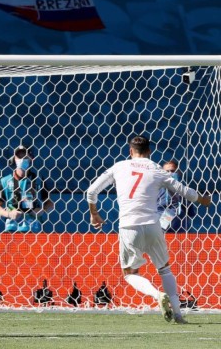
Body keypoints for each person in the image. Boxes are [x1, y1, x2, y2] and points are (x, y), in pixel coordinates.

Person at [86, 135, 211, 324]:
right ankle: (178, 313)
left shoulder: (119, 167)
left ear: (130, 151)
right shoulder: (156, 169)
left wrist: (94, 214)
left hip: (129, 226)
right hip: (153, 225)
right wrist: (204, 200)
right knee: (165, 269)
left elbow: (91, 192)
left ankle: (157, 294)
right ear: (149, 152)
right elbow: (184, 191)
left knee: (130, 274)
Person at [0, 142, 54, 233]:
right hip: (12, 229)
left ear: (31, 159)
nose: (22, 160)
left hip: (34, 229)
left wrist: (41, 210)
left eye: (25, 157)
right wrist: (8, 214)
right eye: (19, 157)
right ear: (14, 159)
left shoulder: (38, 180)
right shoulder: (5, 181)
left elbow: (50, 203)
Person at [157, 160, 196, 232]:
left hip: (180, 233)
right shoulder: (157, 190)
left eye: (172, 171)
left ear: (179, 173)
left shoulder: (185, 191)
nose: (169, 174)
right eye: (166, 171)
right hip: (160, 233)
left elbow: (191, 213)